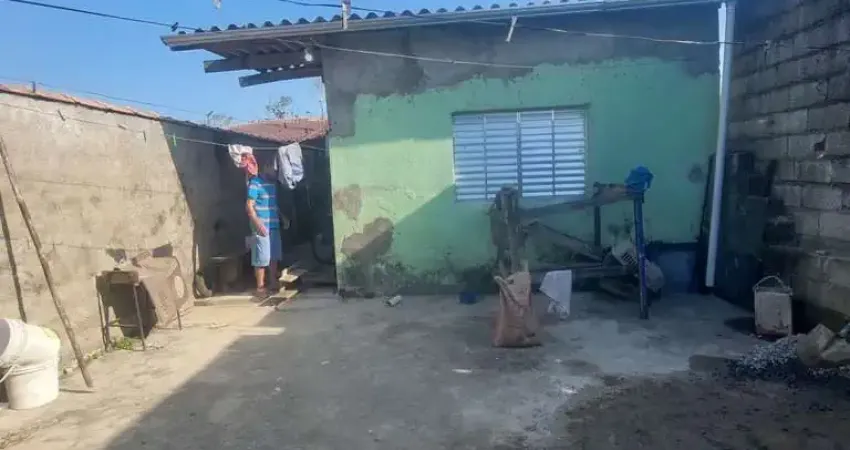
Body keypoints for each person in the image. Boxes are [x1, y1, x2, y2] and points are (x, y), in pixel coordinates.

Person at [245, 157, 285, 299]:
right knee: (261, 258)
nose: (275, 172)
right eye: (273, 169)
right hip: (261, 225)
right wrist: (257, 223)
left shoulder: (272, 185)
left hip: (273, 224)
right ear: (266, 166)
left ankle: (273, 282)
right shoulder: (255, 183)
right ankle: (260, 288)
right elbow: (249, 206)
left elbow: (273, 205)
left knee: (273, 256)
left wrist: (282, 217)